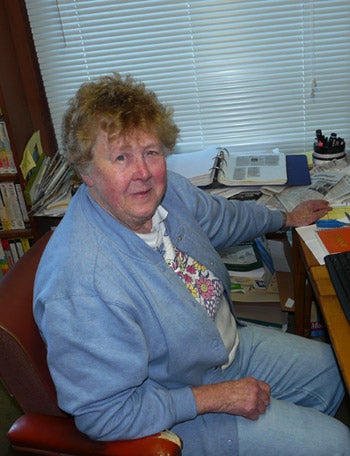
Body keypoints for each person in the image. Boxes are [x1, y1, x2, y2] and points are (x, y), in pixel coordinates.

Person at [33, 72, 350, 456]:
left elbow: (224, 218)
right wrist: (215, 397)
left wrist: (284, 219)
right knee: (337, 443)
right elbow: (103, 415)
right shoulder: (83, 281)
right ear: (85, 172)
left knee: (334, 373)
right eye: (120, 157)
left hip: (222, 353)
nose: (144, 172)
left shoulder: (168, 195)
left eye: (151, 151)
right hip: (177, 410)